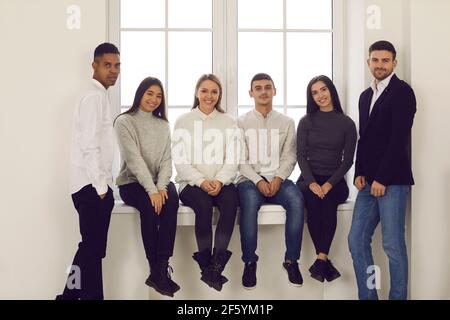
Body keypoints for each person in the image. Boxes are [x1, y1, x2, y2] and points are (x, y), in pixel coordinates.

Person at [348, 40, 416, 300]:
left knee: (392, 245)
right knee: (356, 240)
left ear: (394, 63)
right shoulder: (366, 96)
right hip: (368, 184)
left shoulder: (403, 92)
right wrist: (359, 172)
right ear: (368, 62)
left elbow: (398, 139)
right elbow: (364, 139)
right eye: (375, 60)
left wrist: (382, 178)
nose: (380, 65)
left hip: (393, 181)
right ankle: (368, 297)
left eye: (385, 61)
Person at [57, 43, 120, 300]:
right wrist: (102, 187)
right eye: (107, 65)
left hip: (91, 186)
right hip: (91, 187)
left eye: (117, 65)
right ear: (94, 66)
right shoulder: (93, 97)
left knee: (92, 252)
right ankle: (68, 298)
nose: (113, 71)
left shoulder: (99, 96)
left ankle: (75, 298)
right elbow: (90, 145)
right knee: (90, 250)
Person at [237, 73, 305, 289]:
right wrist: (258, 181)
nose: (263, 91)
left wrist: (278, 178)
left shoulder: (286, 122)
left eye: (268, 87)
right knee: (248, 203)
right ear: (251, 93)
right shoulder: (241, 122)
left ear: (274, 91)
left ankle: (291, 260)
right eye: (258, 88)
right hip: (250, 180)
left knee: (296, 199)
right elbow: (240, 159)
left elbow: (290, 155)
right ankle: (249, 261)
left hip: (278, 179)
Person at [173, 74, 239, 292]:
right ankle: (205, 264)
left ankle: (216, 267)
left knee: (230, 204)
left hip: (222, 181)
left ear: (219, 94)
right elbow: (180, 161)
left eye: (214, 91)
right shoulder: (183, 121)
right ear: (196, 92)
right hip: (191, 184)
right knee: (203, 206)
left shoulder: (229, 122)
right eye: (204, 91)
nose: (209, 96)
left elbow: (233, 158)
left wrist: (219, 180)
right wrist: (201, 181)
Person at [115, 77, 180, 298]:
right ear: (140, 94)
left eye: (158, 96)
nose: (154, 99)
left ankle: (162, 267)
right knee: (150, 207)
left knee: (172, 200)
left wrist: (161, 188)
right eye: (149, 93)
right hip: (132, 183)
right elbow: (134, 160)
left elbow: (165, 160)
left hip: (158, 183)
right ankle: (155, 269)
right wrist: (152, 191)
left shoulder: (163, 125)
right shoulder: (124, 121)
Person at [297, 75, 357, 283]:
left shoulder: (347, 123)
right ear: (311, 97)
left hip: (336, 181)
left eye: (323, 90)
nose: (320, 95)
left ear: (331, 91)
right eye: (315, 92)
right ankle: (322, 260)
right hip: (309, 179)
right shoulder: (306, 122)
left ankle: (321, 260)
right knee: (315, 199)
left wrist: (329, 184)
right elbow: (301, 156)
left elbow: (347, 161)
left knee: (328, 199)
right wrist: (313, 183)